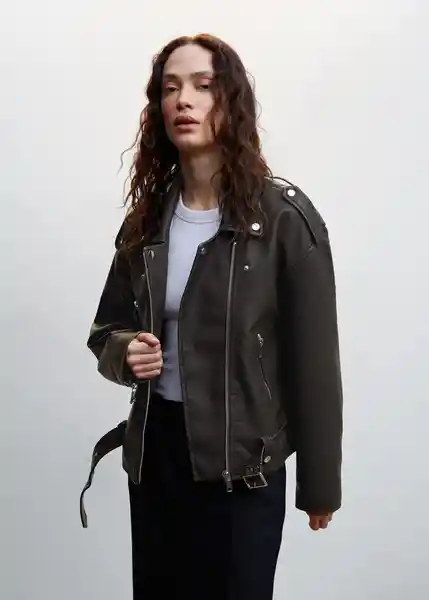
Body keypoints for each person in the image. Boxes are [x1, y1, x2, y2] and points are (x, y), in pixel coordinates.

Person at [80, 33, 343, 600]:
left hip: (242, 469)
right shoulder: (148, 219)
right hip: (157, 459)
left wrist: (320, 485)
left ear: (232, 100)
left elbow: (315, 363)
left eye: (203, 86)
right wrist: (125, 351)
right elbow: (106, 329)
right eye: (170, 88)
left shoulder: (283, 219)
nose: (184, 100)